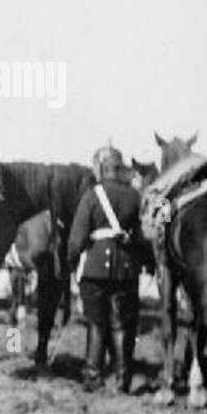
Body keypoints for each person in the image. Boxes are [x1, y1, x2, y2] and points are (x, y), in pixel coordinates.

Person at [67, 144, 147, 393]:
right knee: (121, 325)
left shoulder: (92, 195)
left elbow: (77, 239)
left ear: (101, 169)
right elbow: (144, 235)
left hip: (94, 270)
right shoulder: (135, 197)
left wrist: (71, 261)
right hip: (125, 269)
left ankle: (93, 375)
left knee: (96, 323)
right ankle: (123, 382)